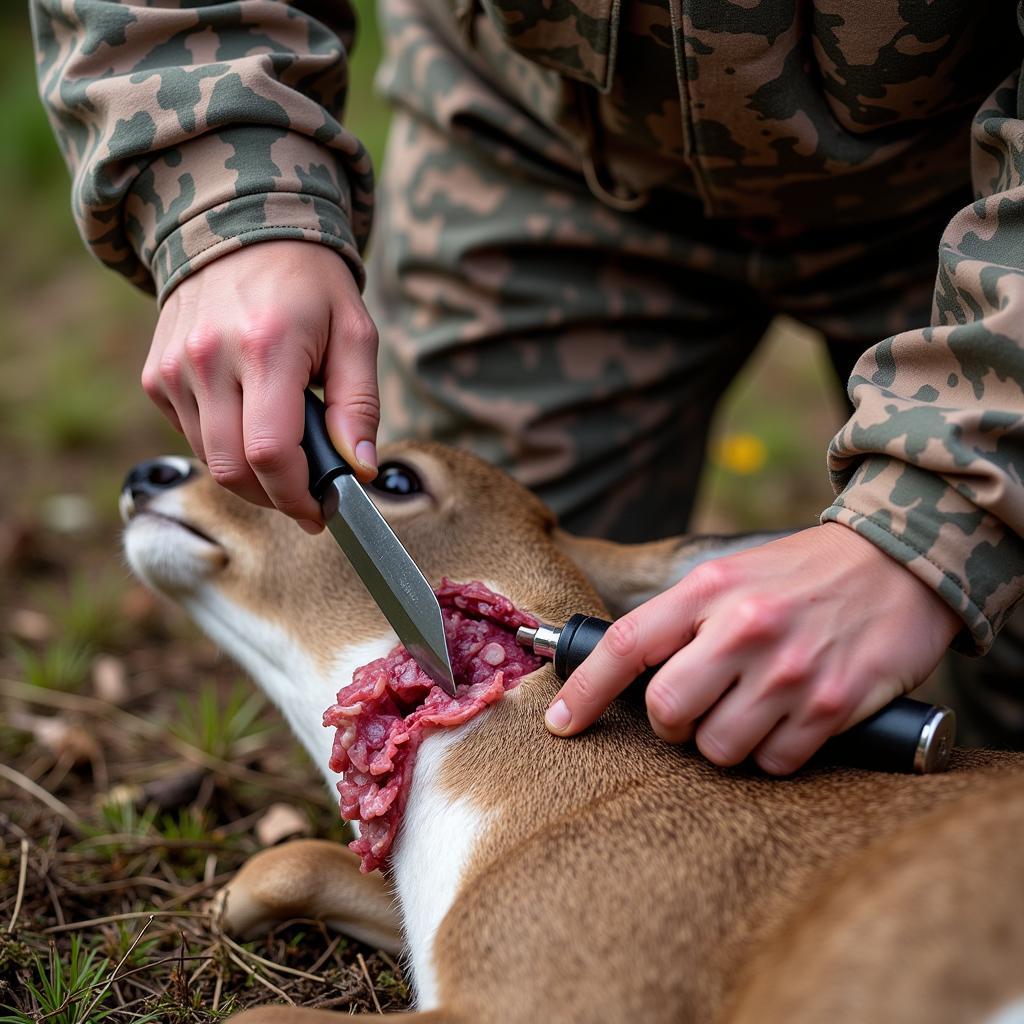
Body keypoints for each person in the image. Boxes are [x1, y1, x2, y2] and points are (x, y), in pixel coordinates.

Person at [31, 0, 1024, 773]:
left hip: (974, 194)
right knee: (487, 707)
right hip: (537, 143)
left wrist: (933, 523)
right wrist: (227, 199)